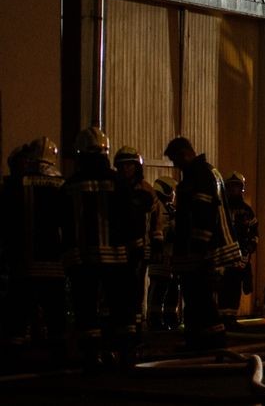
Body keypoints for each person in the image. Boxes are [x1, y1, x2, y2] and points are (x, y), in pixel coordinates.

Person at [61, 127, 139, 369]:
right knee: (122, 308)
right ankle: (126, 355)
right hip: (117, 258)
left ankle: (91, 356)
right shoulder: (119, 182)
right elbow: (131, 219)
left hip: (82, 259)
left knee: (86, 309)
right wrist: (134, 251)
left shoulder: (71, 184)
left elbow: (62, 221)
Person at [164, 136, 240, 350]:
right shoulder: (205, 173)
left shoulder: (198, 176)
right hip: (204, 247)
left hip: (202, 249)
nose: (175, 165)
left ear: (185, 153)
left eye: (176, 159)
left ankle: (213, 340)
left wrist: (197, 248)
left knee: (200, 295)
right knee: (195, 294)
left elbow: (203, 214)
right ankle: (198, 339)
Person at [2, 138, 67, 363]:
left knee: (17, 315)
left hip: (23, 263)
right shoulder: (62, 186)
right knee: (56, 315)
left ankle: (13, 358)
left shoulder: (16, 184)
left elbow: (6, 223)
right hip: (56, 266)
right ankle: (58, 358)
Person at [112, 146, 159, 361]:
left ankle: (137, 334)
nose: (125, 169)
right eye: (122, 165)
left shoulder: (147, 191)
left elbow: (157, 221)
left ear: (137, 167)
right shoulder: (114, 189)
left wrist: (156, 243)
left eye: (129, 165)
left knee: (137, 291)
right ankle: (122, 336)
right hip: (118, 251)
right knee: (119, 293)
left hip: (143, 248)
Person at [217, 172, 258, 324]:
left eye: (236, 187)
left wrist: (251, 245)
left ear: (241, 189)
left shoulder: (247, 211)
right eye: (231, 187)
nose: (233, 190)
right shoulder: (222, 208)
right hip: (225, 255)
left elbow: (254, 231)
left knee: (236, 286)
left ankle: (231, 317)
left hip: (242, 255)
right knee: (223, 286)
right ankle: (222, 317)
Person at [146, 177, 181, 332]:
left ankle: (170, 317)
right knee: (158, 288)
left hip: (171, 256)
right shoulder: (157, 206)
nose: (173, 194)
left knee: (172, 289)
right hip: (159, 255)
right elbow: (156, 229)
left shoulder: (170, 208)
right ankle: (154, 319)